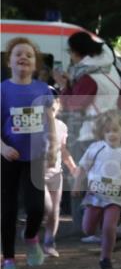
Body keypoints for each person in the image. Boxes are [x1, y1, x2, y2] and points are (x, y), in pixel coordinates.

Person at [1, 37, 58, 269]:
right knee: (8, 210)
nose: (23, 57)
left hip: (35, 156)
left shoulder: (42, 90)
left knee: (37, 207)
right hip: (9, 157)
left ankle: (31, 237)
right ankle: (9, 262)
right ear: (9, 61)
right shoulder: (3, 89)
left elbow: (50, 120)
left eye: (29, 55)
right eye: (18, 54)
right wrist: (2, 148)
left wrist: (54, 146)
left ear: (35, 64)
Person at [74, 112, 121, 269]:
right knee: (87, 229)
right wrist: (77, 185)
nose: (112, 134)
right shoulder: (95, 148)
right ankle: (92, 216)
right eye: (108, 131)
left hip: (114, 198)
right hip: (95, 196)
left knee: (109, 228)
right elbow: (82, 168)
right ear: (102, 133)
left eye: (115, 130)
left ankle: (105, 259)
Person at [55, 31, 121, 144]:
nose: (70, 57)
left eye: (70, 52)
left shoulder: (88, 77)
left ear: (76, 52)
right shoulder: (110, 69)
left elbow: (73, 106)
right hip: (112, 129)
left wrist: (63, 86)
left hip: (92, 133)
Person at [41, 96, 77, 257]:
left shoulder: (62, 126)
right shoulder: (35, 125)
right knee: (45, 206)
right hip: (37, 173)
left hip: (56, 173)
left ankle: (49, 242)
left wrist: (72, 166)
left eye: (53, 107)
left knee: (55, 210)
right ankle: (31, 233)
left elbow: (62, 149)